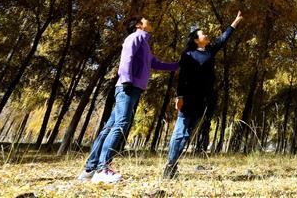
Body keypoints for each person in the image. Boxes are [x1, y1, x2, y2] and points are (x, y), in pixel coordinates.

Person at [78, 16, 179, 184]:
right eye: (146, 20)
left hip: (133, 87)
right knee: (121, 124)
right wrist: (126, 80)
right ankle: (102, 168)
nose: (150, 21)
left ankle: (89, 169)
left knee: (110, 126)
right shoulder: (135, 37)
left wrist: (178, 64)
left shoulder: (145, 43)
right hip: (128, 87)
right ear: (139, 25)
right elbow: (127, 57)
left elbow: (155, 63)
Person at [163, 10, 244, 179]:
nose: (207, 35)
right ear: (195, 39)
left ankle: (173, 166)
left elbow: (223, 40)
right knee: (180, 133)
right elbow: (182, 77)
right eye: (203, 34)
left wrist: (235, 23)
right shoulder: (187, 54)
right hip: (188, 98)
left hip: (203, 99)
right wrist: (179, 97)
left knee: (187, 134)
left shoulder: (209, 51)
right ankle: (169, 166)